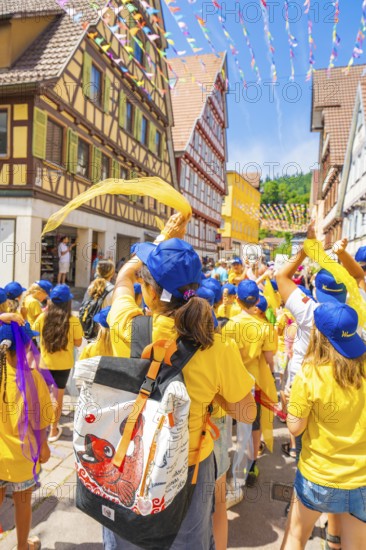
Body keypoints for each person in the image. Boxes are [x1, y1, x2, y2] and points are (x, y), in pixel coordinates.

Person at [105, 213, 256, 550]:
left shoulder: (126, 327)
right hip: (188, 468)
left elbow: (123, 279)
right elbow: (246, 413)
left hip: (131, 462)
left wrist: (162, 237)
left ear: (148, 291)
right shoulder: (217, 345)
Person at [282, 302, 366, 550]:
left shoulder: (310, 372)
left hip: (318, 475)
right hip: (361, 479)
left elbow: (295, 427)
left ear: (318, 334)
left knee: (295, 536)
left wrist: (291, 402)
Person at [0, 321, 54, 550]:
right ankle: (23, 546)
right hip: (23, 457)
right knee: (23, 504)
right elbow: (40, 420)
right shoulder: (33, 378)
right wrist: (43, 446)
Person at [221, 280, 276, 489]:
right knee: (249, 428)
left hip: (229, 380)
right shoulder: (264, 327)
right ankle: (244, 472)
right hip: (252, 383)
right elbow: (270, 358)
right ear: (258, 301)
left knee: (226, 426)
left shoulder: (229, 325)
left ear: (237, 300)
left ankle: (223, 465)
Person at [34, 284, 83, 442]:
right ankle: (53, 431)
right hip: (63, 365)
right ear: (68, 303)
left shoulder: (43, 318)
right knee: (57, 398)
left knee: (43, 396)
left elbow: (33, 333)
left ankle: (41, 427)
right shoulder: (73, 320)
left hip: (45, 363)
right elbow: (77, 342)